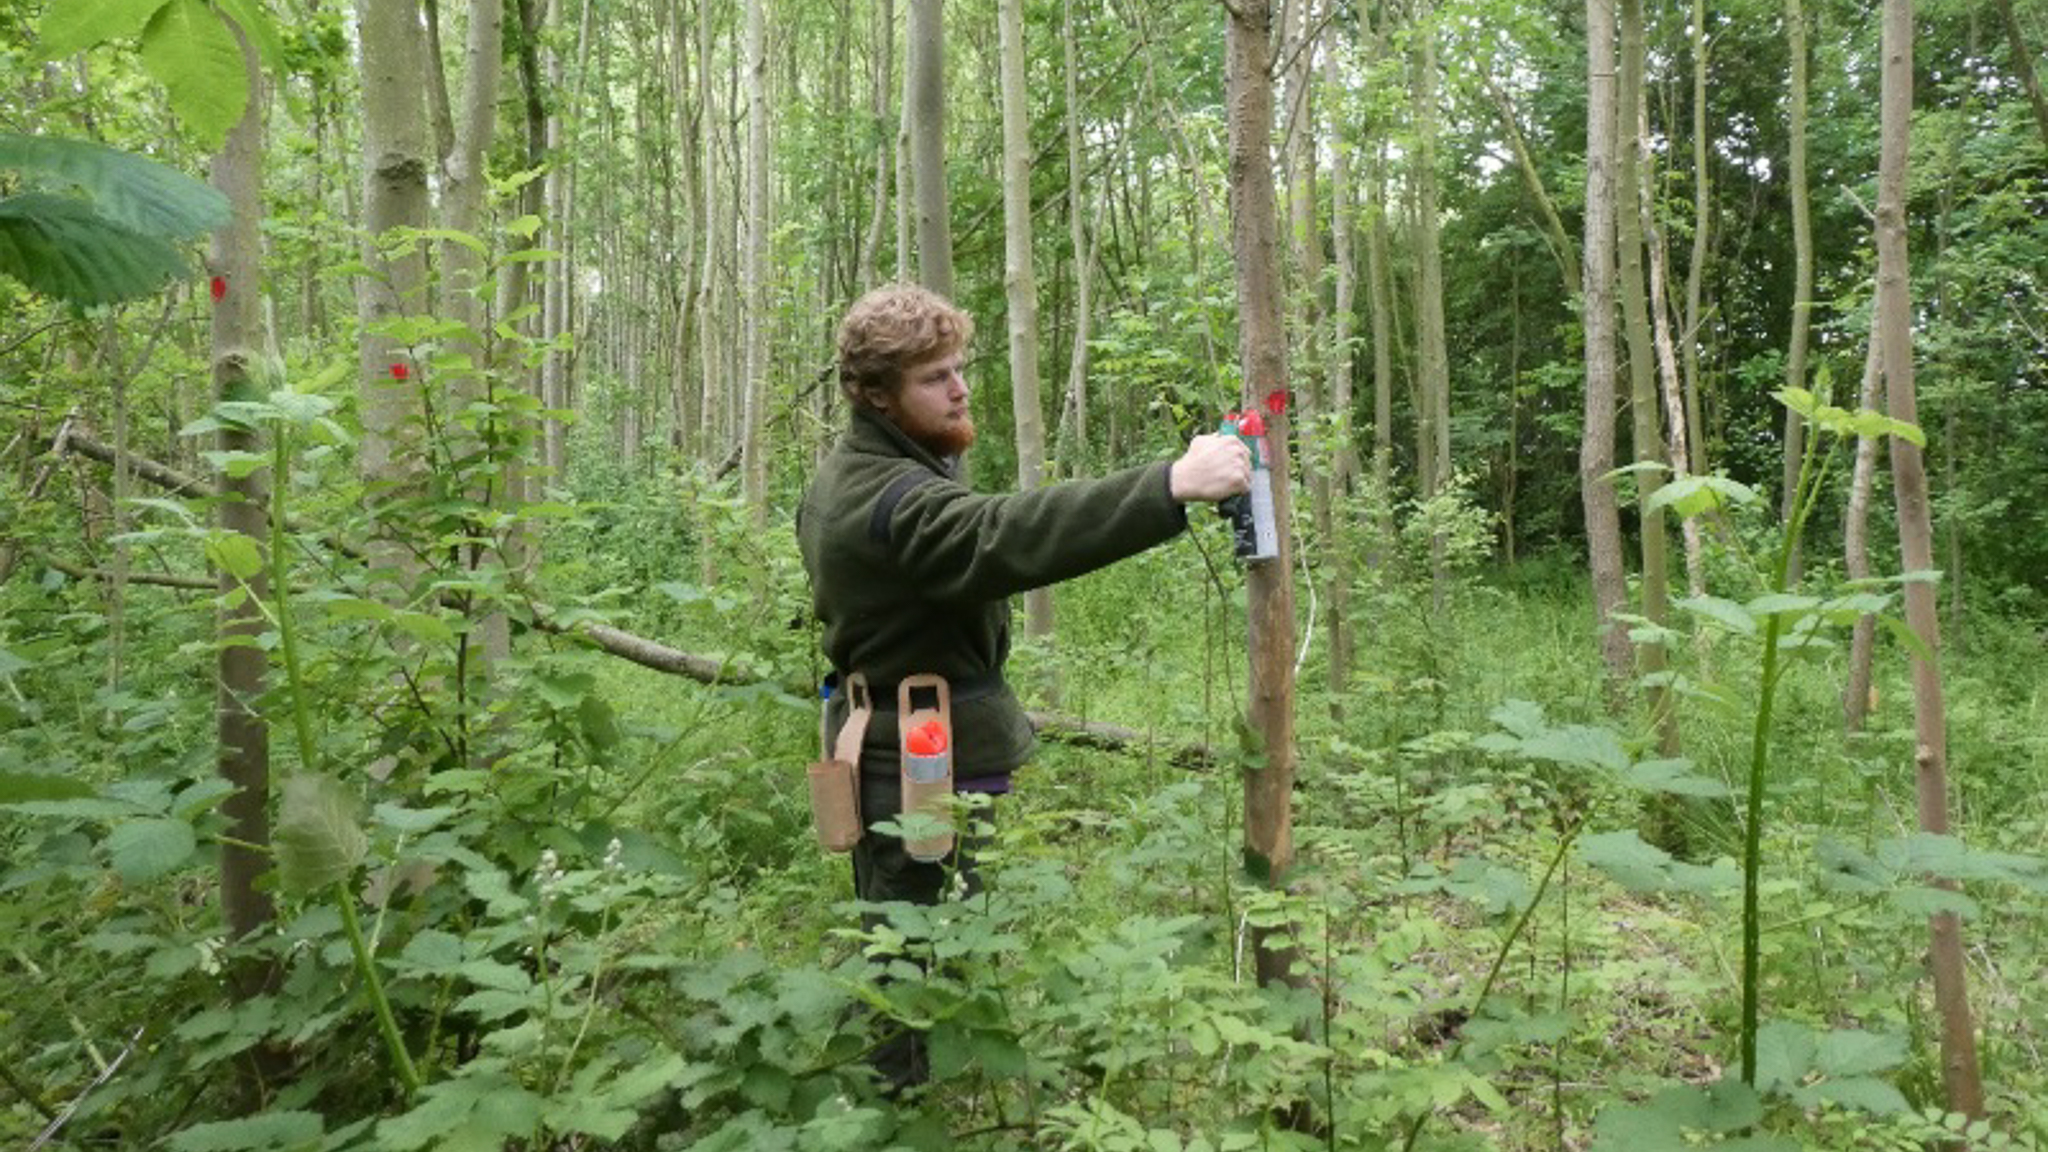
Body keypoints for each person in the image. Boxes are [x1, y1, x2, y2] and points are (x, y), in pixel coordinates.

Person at [794, 283, 1249, 1086]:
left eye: (958, 368)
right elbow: (1002, 535)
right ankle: (888, 1111)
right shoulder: (891, 498)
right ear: (876, 396)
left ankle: (917, 1088)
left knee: (925, 928)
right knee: (906, 949)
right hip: (910, 763)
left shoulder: (855, 471)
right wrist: (1169, 484)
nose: (960, 387)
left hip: (896, 745)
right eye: (934, 377)